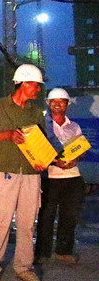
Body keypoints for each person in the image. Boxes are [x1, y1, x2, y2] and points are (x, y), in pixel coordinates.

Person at [0, 63, 47, 281]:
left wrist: (42, 160)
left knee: (27, 222)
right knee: (1, 221)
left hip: (30, 173)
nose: (38, 90)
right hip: (5, 172)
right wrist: (8, 134)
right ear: (24, 83)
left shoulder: (36, 112)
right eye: (35, 85)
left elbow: (41, 142)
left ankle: (23, 266)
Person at [35, 88, 86, 265]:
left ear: (67, 104)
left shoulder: (74, 126)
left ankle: (63, 250)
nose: (57, 104)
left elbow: (81, 149)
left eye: (61, 101)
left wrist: (75, 159)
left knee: (69, 216)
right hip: (50, 177)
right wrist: (57, 162)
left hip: (73, 177)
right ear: (48, 104)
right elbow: (38, 151)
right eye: (54, 101)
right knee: (46, 216)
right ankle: (42, 252)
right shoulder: (43, 125)